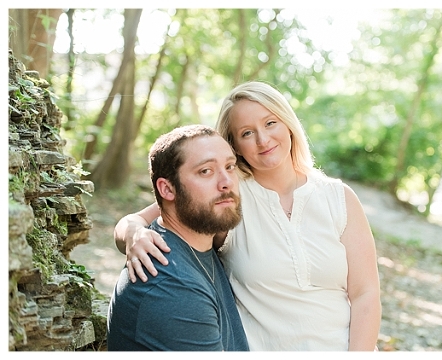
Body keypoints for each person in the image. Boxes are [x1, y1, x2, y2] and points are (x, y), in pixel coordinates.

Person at [113, 81, 382, 351]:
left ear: (287, 123)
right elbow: (150, 216)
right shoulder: (227, 194)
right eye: (246, 133)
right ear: (234, 146)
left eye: (270, 123)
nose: (263, 140)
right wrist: (135, 232)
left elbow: (365, 294)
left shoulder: (338, 197)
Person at [107, 124, 249, 351]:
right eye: (206, 171)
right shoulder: (172, 286)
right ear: (167, 189)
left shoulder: (195, 237)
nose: (227, 182)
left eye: (230, 166)